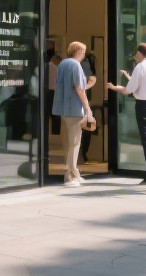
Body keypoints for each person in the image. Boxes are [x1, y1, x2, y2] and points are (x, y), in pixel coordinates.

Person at [107, 43, 146, 185]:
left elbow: (129, 90)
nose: (135, 56)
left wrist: (113, 87)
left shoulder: (140, 67)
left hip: (144, 105)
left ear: (140, 53)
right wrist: (130, 78)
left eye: (136, 54)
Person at [51, 41, 94, 187]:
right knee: (75, 143)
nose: (84, 55)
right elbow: (79, 89)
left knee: (70, 142)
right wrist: (87, 108)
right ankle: (70, 175)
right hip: (74, 108)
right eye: (83, 52)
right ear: (79, 51)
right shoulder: (75, 65)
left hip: (63, 108)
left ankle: (74, 172)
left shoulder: (62, 64)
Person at [78, 51, 99, 163]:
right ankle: (83, 153)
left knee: (82, 130)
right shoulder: (87, 66)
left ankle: (82, 153)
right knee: (86, 130)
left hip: (83, 102)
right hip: (85, 102)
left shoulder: (82, 66)